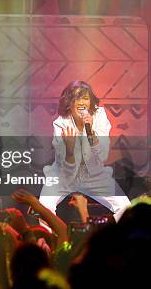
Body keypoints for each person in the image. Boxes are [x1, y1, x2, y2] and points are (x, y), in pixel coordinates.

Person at [39, 80, 130, 220]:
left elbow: (103, 156)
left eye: (86, 98)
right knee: (44, 207)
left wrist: (90, 131)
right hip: (64, 175)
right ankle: (45, 241)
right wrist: (69, 150)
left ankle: (119, 237)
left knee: (125, 208)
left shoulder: (99, 116)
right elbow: (68, 169)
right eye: (77, 98)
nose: (82, 103)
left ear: (90, 102)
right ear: (69, 103)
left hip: (93, 173)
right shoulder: (61, 123)